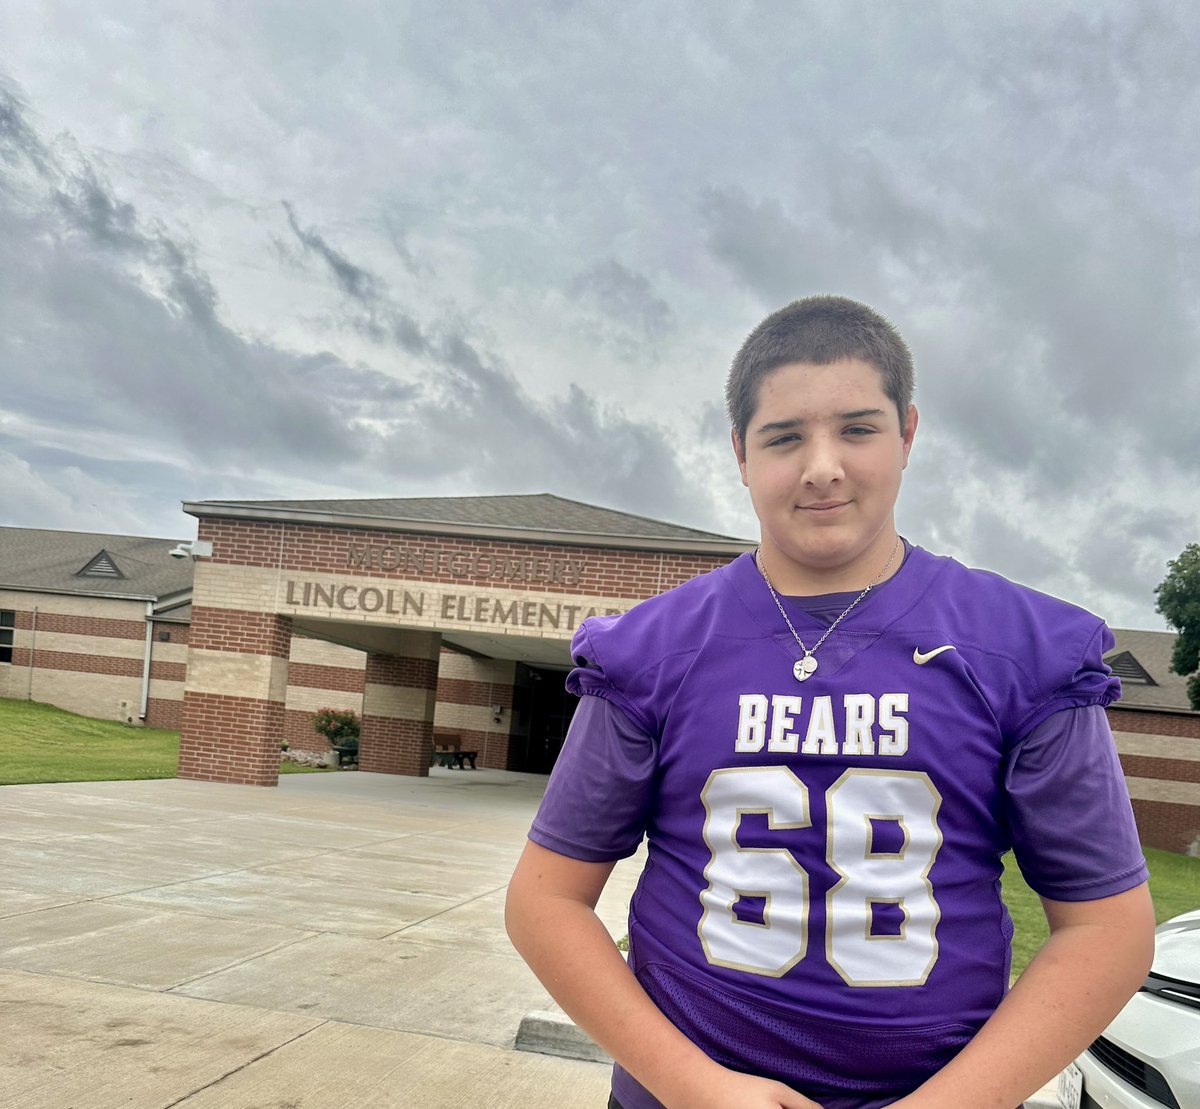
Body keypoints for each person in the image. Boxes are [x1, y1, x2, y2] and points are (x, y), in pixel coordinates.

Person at [505, 295, 1155, 1109]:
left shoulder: (1019, 648)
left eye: (857, 428)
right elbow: (545, 898)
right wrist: (698, 1087)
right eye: (784, 437)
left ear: (907, 434)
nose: (822, 466)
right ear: (740, 452)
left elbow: (1107, 927)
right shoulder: (653, 648)